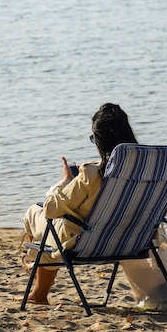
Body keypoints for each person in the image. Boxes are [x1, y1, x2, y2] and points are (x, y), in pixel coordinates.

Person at [22, 102, 138, 305]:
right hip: (130, 240)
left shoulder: (90, 174)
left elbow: (51, 210)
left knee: (34, 212)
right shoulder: (144, 174)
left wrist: (65, 181)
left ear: (100, 141)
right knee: (51, 235)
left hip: (83, 243)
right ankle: (37, 283)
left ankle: (33, 262)